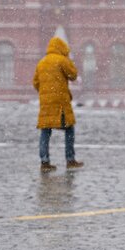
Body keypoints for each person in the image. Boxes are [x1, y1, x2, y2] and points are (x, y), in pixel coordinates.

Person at [33, 36, 82, 172]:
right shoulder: (62, 60)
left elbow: (35, 83)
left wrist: (45, 93)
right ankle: (70, 159)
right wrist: (68, 59)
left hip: (46, 103)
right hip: (60, 102)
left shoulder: (41, 63)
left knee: (45, 130)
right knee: (69, 129)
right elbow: (73, 75)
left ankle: (44, 161)